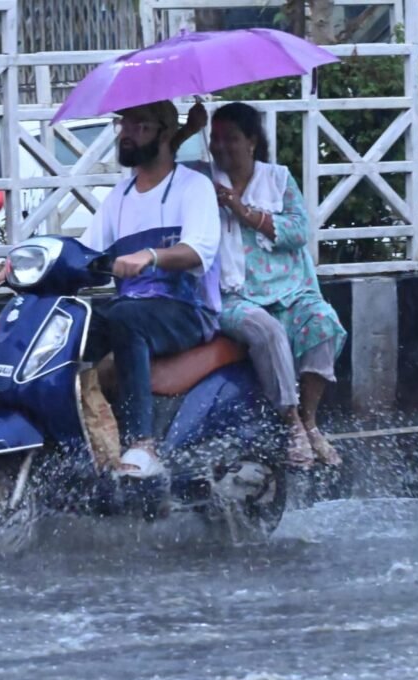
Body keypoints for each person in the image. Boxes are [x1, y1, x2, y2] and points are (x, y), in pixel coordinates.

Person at [78, 100, 222, 478]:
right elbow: (84, 252)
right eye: (124, 124)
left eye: (140, 126)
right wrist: (26, 263)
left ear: (166, 133)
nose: (127, 134)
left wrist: (151, 256)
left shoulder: (194, 186)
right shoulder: (119, 197)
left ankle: (143, 444)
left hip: (186, 309)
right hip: (132, 309)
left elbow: (198, 250)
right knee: (69, 328)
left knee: (127, 317)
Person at [204, 101, 347, 467]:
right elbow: (166, 170)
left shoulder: (278, 179)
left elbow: (299, 231)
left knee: (323, 322)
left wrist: (243, 211)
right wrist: (189, 131)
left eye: (230, 138)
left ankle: (312, 420)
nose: (220, 146)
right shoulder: (201, 182)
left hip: (290, 290)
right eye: (214, 138)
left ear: (252, 141)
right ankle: (293, 423)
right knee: (266, 331)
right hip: (234, 296)